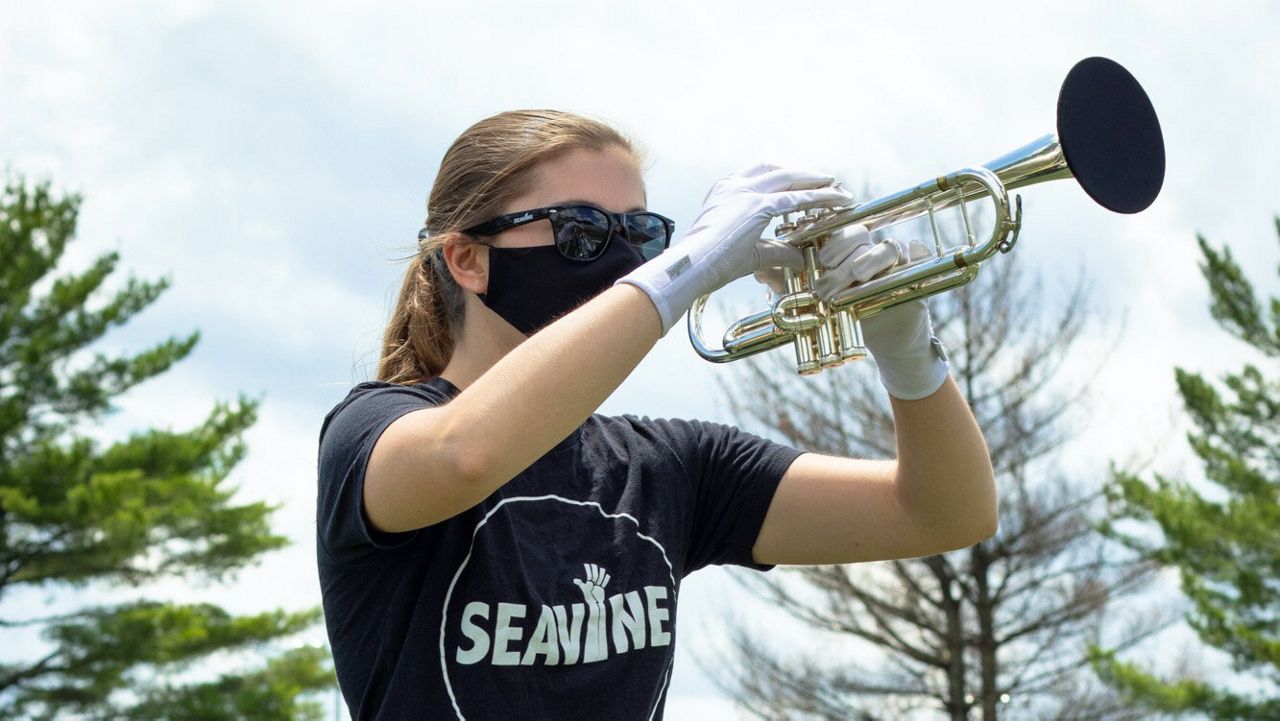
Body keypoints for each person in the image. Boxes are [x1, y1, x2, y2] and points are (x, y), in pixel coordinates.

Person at [316, 109, 996, 720]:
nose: (618, 260)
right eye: (582, 232)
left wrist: (907, 351)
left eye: (640, 234)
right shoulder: (372, 429)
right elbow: (463, 455)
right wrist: (687, 265)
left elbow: (946, 511)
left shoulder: (669, 466)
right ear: (467, 258)